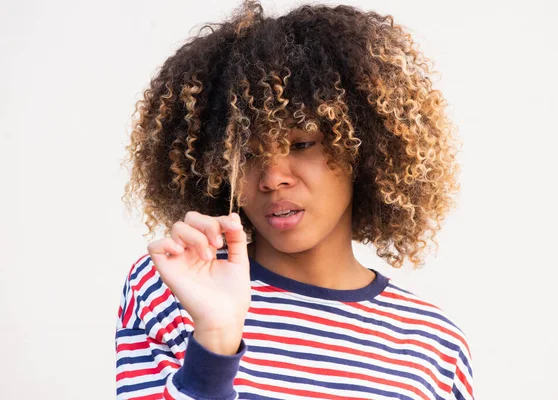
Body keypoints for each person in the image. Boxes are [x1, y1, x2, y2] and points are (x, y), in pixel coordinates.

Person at [115, 1, 474, 399]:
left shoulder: (432, 347)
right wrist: (215, 341)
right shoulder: (175, 288)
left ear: (365, 151)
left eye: (302, 144)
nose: (272, 179)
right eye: (247, 155)